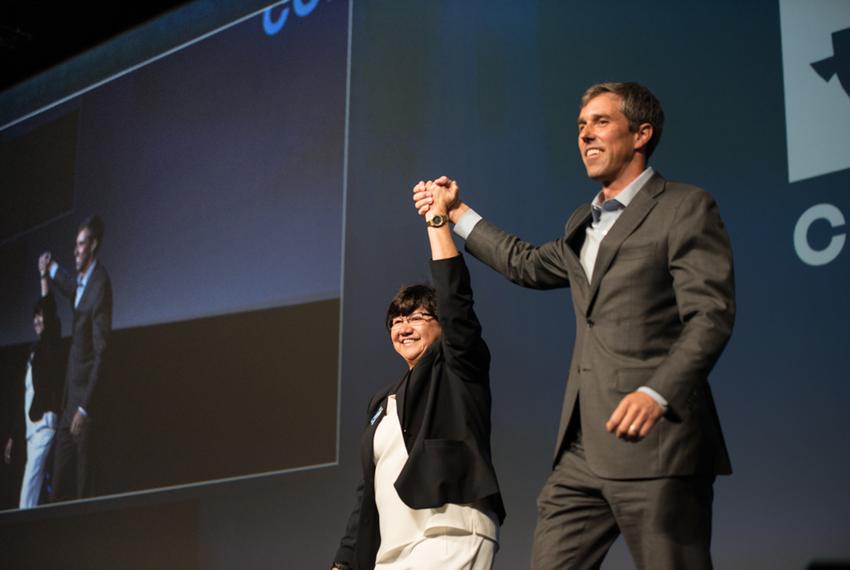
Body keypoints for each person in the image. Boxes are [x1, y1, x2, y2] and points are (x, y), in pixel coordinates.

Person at [413, 82, 735, 569]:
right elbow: (525, 263)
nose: (586, 134)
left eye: (601, 122)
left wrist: (657, 392)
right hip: (582, 449)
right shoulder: (582, 221)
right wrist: (456, 212)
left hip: (659, 445)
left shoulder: (683, 207)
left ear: (641, 133)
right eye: (581, 126)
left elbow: (710, 315)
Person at [332, 203, 506, 570]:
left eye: (416, 317)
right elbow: (368, 491)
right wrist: (344, 563)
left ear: (443, 324)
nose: (403, 327)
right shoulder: (382, 401)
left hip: (448, 533)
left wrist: (437, 222)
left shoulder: (458, 365)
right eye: (396, 320)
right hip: (391, 552)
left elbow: (456, 302)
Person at [40, 214, 113, 501]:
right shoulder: (84, 279)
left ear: (93, 246)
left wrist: (84, 408)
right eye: (75, 244)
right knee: (56, 483)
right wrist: (52, 267)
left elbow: (102, 352)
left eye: (81, 245)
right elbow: (72, 288)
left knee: (84, 488)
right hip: (69, 400)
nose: (76, 250)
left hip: (84, 405)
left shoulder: (100, 285)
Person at [2, 266, 64, 508]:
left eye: (42, 316)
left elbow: (49, 308)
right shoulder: (33, 352)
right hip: (31, 429)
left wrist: (43, 277)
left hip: (44, 426)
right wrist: (13, 437)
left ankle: (20, 527)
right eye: (35, 316)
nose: (38, 320)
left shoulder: (51, 345)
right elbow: (26, 396)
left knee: (29, 487)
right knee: (36, 484)